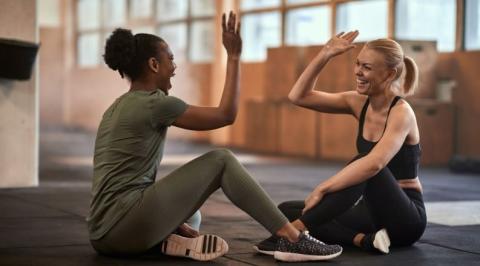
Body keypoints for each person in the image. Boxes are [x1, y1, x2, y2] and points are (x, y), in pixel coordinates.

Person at [86, 12, 342, 262]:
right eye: (170, 60)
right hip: (124, 227)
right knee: (221, 160)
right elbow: (225, 115)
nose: (174, 68)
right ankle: (292, 238)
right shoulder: (156, 104)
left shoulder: (116, 107)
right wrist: (233, 56)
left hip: (103, 235)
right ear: (154, 65)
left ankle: (168, 241)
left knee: (192, 214)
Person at [255, 31, 426, 255]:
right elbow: (299, 96)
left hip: (405, 219)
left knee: (364, 164)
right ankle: (362, 240)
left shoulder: (402, 113)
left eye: (367, 67)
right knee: (286, 210)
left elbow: (374, 164)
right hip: (369, 214)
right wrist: (325, 54)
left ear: (389, 73)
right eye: (357, 64)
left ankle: (293, 234)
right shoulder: (357, 102)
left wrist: (322, 189)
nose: (358, 71)